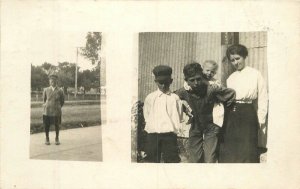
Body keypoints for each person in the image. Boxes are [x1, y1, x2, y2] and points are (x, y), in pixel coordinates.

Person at [176, 62, 235, 163]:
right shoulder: (184, 91)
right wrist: (183, 105)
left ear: (202, 77)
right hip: (195, 126)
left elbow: (231, 93)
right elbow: (173, 98)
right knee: (194, 158)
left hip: (211, 126)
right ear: (186, 81)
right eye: (192, 80)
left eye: (198, 79)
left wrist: (223, 110)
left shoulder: (211, 89)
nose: (196, 83)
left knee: (210, 158)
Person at [219, 44, 268, 163]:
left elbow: (262, 96)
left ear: (244, 57)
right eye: (232, 60)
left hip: (248, 111)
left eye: (238, 58)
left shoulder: (255, 74)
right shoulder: (231, 78)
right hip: (232, 112)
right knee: (232, 145)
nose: (235, 62)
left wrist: (261, 118)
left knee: (247, 145)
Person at [143, 65, 182, 163]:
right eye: (160, 83)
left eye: (166, 82)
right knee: (152, 159)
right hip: (153, 134)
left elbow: (179, 115)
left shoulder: (175, 98)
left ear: (171, 81)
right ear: (156, 82)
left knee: (171, 159)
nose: (163, 85)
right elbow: (147, 115)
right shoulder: (150, 97)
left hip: (169, 135)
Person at [43, 73, 65, 145]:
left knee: (57, 125)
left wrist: (58, 106)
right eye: (51, 80)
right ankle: (47, 138)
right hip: (47, 110)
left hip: (56, 111)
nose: (52, 82)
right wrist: (47, 105)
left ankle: (57, 138)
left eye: (54, 80)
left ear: (56, 81)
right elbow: (44, 100)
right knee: (47, 125)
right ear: (49, 81)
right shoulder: (46, 90)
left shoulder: (60, 90)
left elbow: (62, 101)